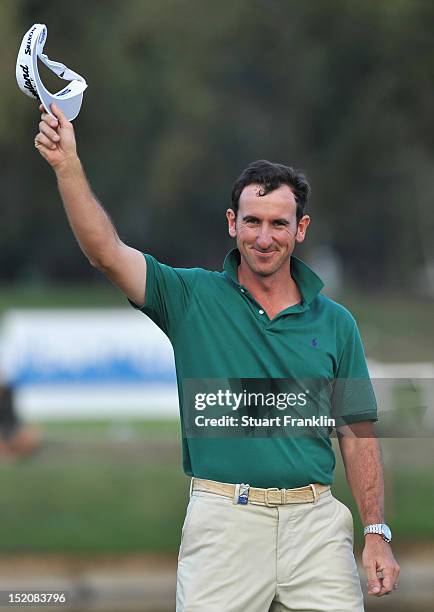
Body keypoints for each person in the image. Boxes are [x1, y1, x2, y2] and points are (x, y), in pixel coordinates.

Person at [34, 102, 400, 611]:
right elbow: (106, 252)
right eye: (252, 221)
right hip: (225, 521)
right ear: (232, 223)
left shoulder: (337, 322)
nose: (264, 238)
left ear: (301, 229)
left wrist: (376, 531)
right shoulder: (190, 297)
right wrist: (67, 165)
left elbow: (358, 434)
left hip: (317, 526)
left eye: (279, 224)